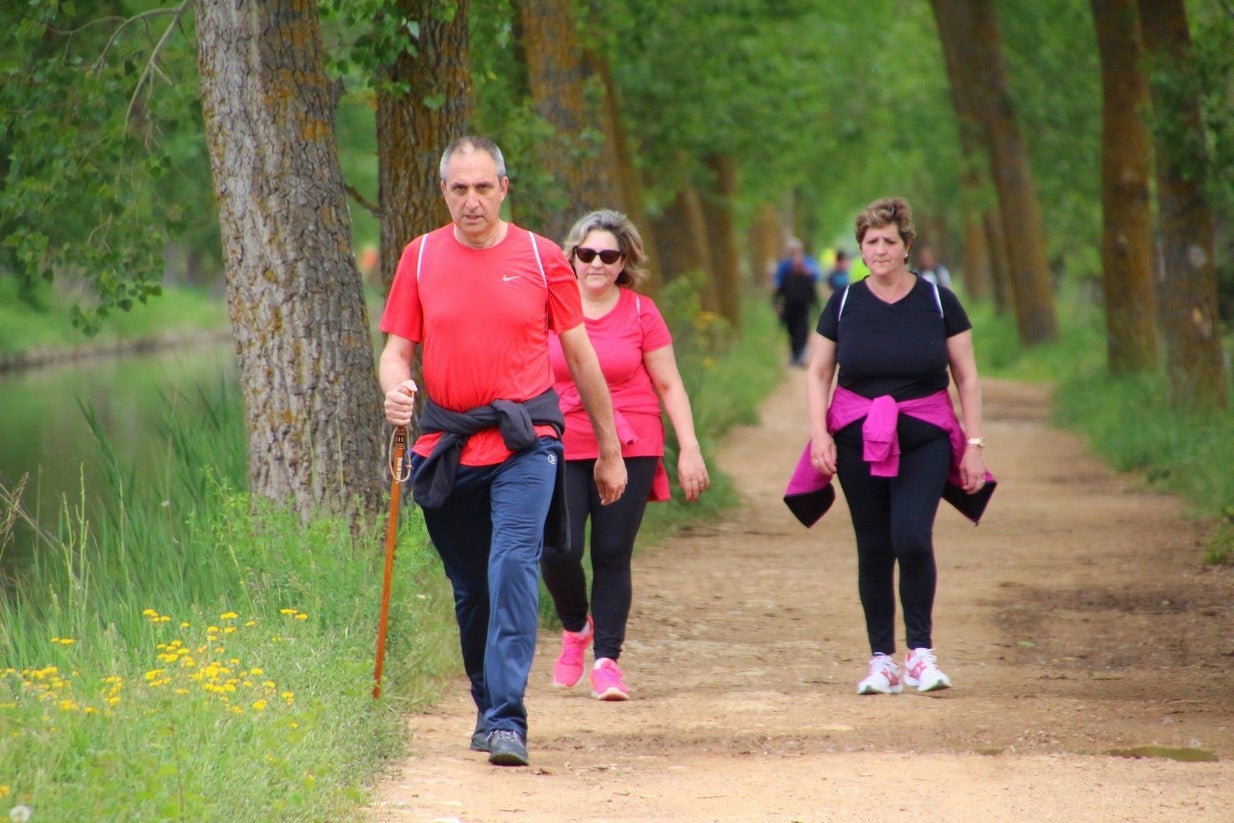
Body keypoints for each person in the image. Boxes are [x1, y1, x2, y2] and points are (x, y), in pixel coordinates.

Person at [378, 136, 628, 767]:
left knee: (513, 564)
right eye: (459, 188)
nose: (472, 200)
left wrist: (608, 449)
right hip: (447, 442)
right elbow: (396, 352)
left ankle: (508, 719)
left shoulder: (544, 259)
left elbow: (579, 355)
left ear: (503, 188)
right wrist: (395, 391)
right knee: (472, 588)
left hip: (527, 440)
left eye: (483, 187)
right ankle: (487, 704)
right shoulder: (421, 256)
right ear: (443, 193)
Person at [804, 196, 987, 696]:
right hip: (856, 436)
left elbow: (966, 377)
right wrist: (820, 434)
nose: (880, 250)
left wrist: (972, 444)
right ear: (861, 248)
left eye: (889, 241)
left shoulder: (937, 301)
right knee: (874, 545)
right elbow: (819, 372)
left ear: (907, 246)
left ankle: (921, 654)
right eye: (871, 242)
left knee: (910, 535)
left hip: (926, 436)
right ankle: (881, 660)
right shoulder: (843, 302)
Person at [541, 209, 711, 702]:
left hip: (630, 439)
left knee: (612, 553)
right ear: (571, 256)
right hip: (561, 437)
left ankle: (607, 663)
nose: (595, 263)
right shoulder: (547, 306)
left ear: (623, 263)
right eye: (586, 253)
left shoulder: (641, 312)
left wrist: (690, 450)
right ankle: (576, 627)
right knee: (557, 549)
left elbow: (668, 383)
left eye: (608, 255)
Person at [773, 238, 822, 367]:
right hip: (789, 309)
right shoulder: (785, 270)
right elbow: (779, 290)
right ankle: (794, 355)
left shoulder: (808, 270)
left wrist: (817, 309)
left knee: (802, 331)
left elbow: (814, 291)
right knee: (792, 332)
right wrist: (777, 305)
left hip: (803, 308)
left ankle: (800, 354)